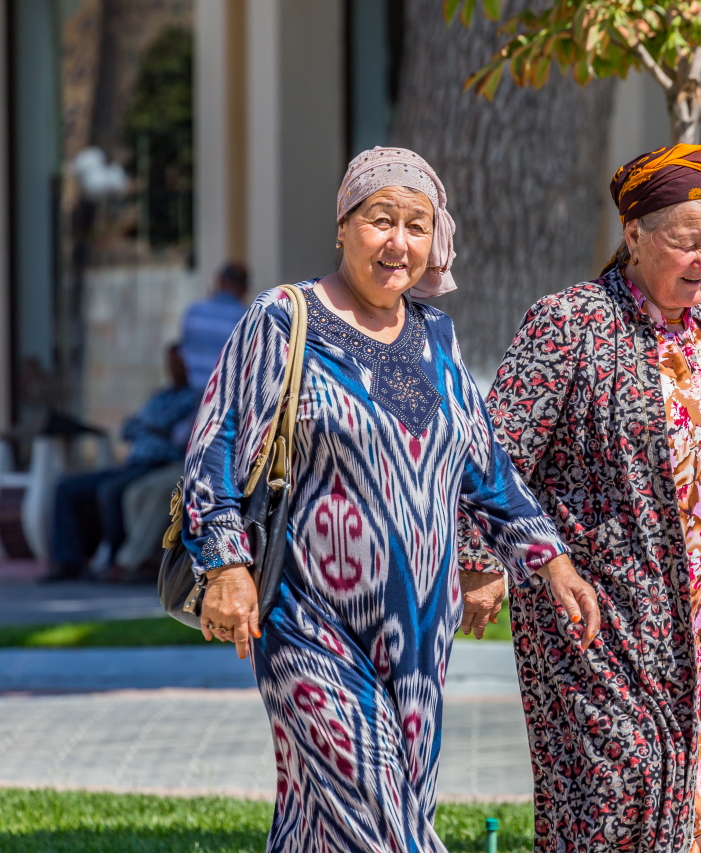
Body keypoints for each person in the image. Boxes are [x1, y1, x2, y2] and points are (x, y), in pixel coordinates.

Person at [181, 146, 600, 852]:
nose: (398, 242)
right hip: (304, 618)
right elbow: (214, 446)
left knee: (323, 823)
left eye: (416, 224)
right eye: (381, 220)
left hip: (418, 636)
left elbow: (484, 467)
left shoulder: (437, 336)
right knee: (384, 821)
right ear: (344, 225)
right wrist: (225, 566)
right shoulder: (284, 320)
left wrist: (552, 560)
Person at [457, 145, 701, 853]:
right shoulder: (570, 322)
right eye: (686, 241)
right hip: (604, 611)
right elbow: (490, 454)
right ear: (633, 234)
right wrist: (482, 557)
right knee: (622, 784)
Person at [47, 345, 199, 581]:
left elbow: (177, 434)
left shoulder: (195, 398)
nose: (175, 368)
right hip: (132, 464)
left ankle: (114, 559)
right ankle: (68, 562)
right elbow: (128, 429)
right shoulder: (159, 396)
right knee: (65, 487)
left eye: (180, 362)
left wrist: (149, 426)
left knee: (111, 491)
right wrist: (152, 427)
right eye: (171, 363)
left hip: (158, 464)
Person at [180, 261, 250, 392]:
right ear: (245, 288)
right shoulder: (246, 318)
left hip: (191, 394)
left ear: (219, 281)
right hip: (224, 397)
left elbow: (182, 355)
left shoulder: (194, 311)